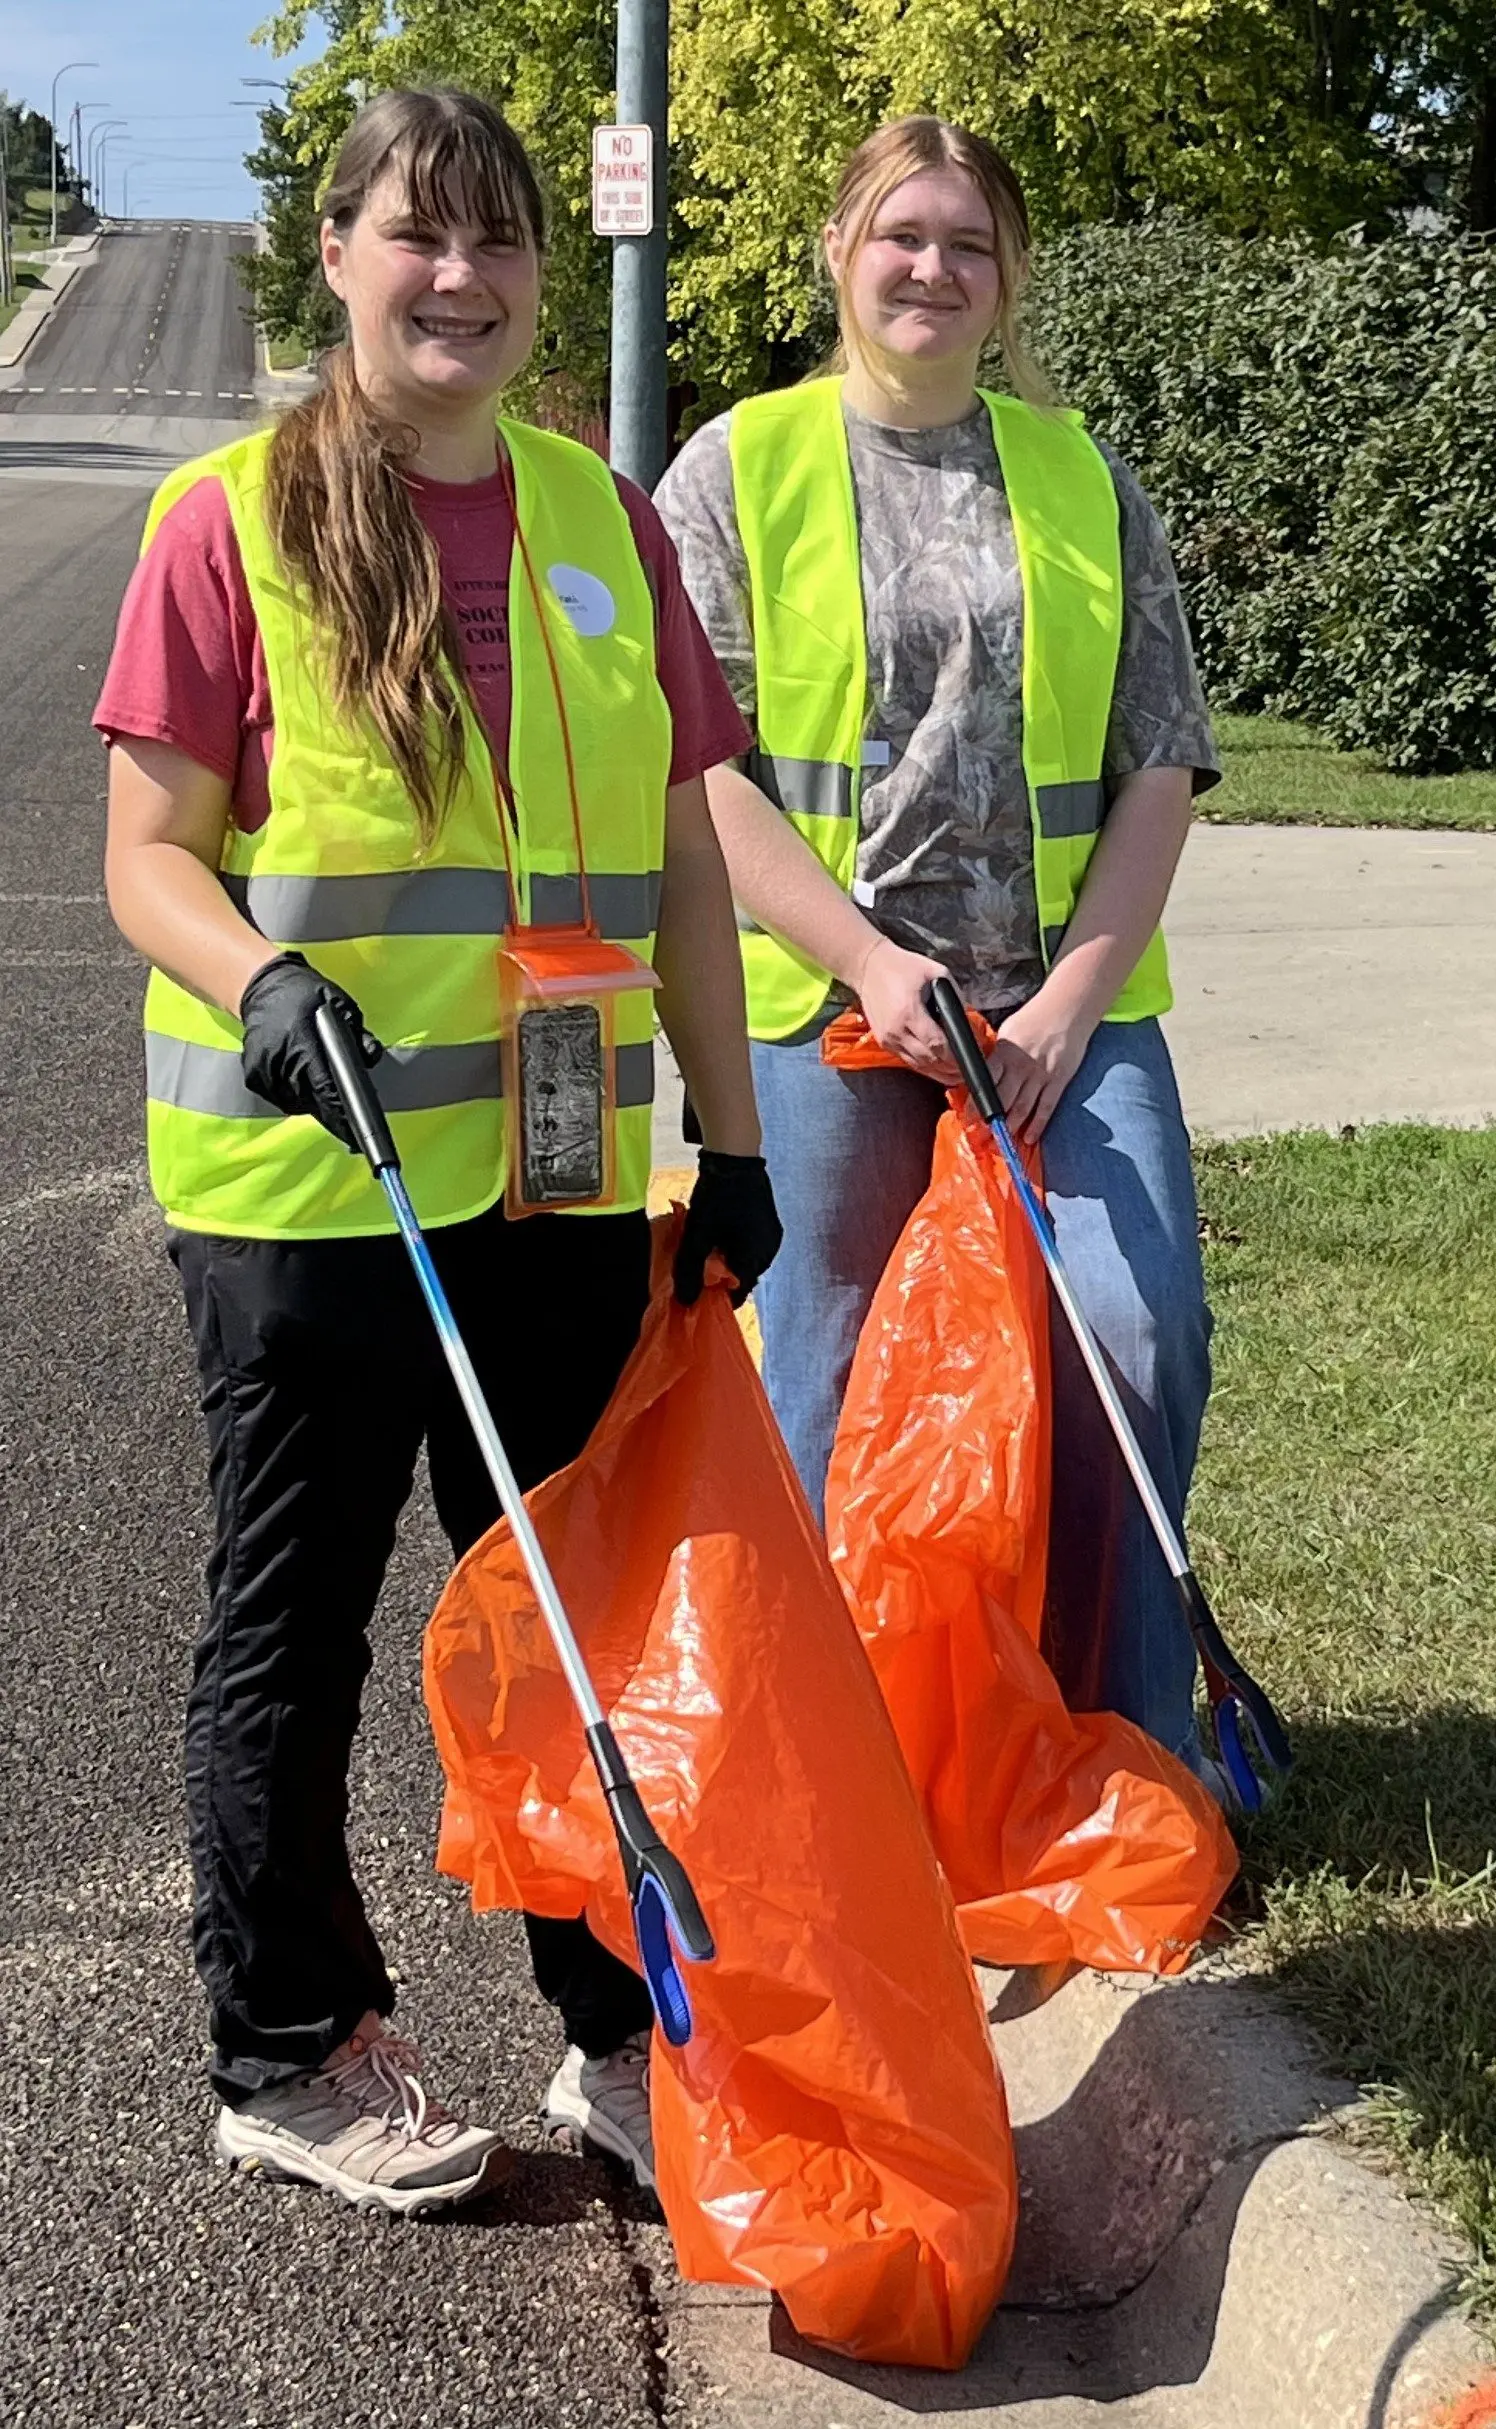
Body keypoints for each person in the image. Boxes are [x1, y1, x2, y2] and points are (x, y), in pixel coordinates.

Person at [95, 87, 778, 2214]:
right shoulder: (228, 520)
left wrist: (733, 1143)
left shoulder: (603, 517)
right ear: (336, 256)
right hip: (313, 1192)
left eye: (496, 243)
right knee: (294, 1626)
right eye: (419, 237)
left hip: (560, 1189)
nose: (460, 278)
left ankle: (611, 2033)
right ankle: (289, 2049)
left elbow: (678, 846)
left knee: (565, 1615)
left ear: (539, 276)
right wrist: (263, 980)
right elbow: (145, 857)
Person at [655, 117, 1222, 1774]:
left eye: (968, 243)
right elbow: (708, 774)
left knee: (1134, 1332)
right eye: (902, 233)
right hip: (831, 1013)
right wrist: (863, 961)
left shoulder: (1077, 476)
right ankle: (837, 1760)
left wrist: (1061, 1009)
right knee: (825, 1375)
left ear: (1008, 281)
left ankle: (1110, 1738)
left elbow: (1159, 763)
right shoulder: (734, 468)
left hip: (1059, 1012)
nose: (931, 268)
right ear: (841, 250)